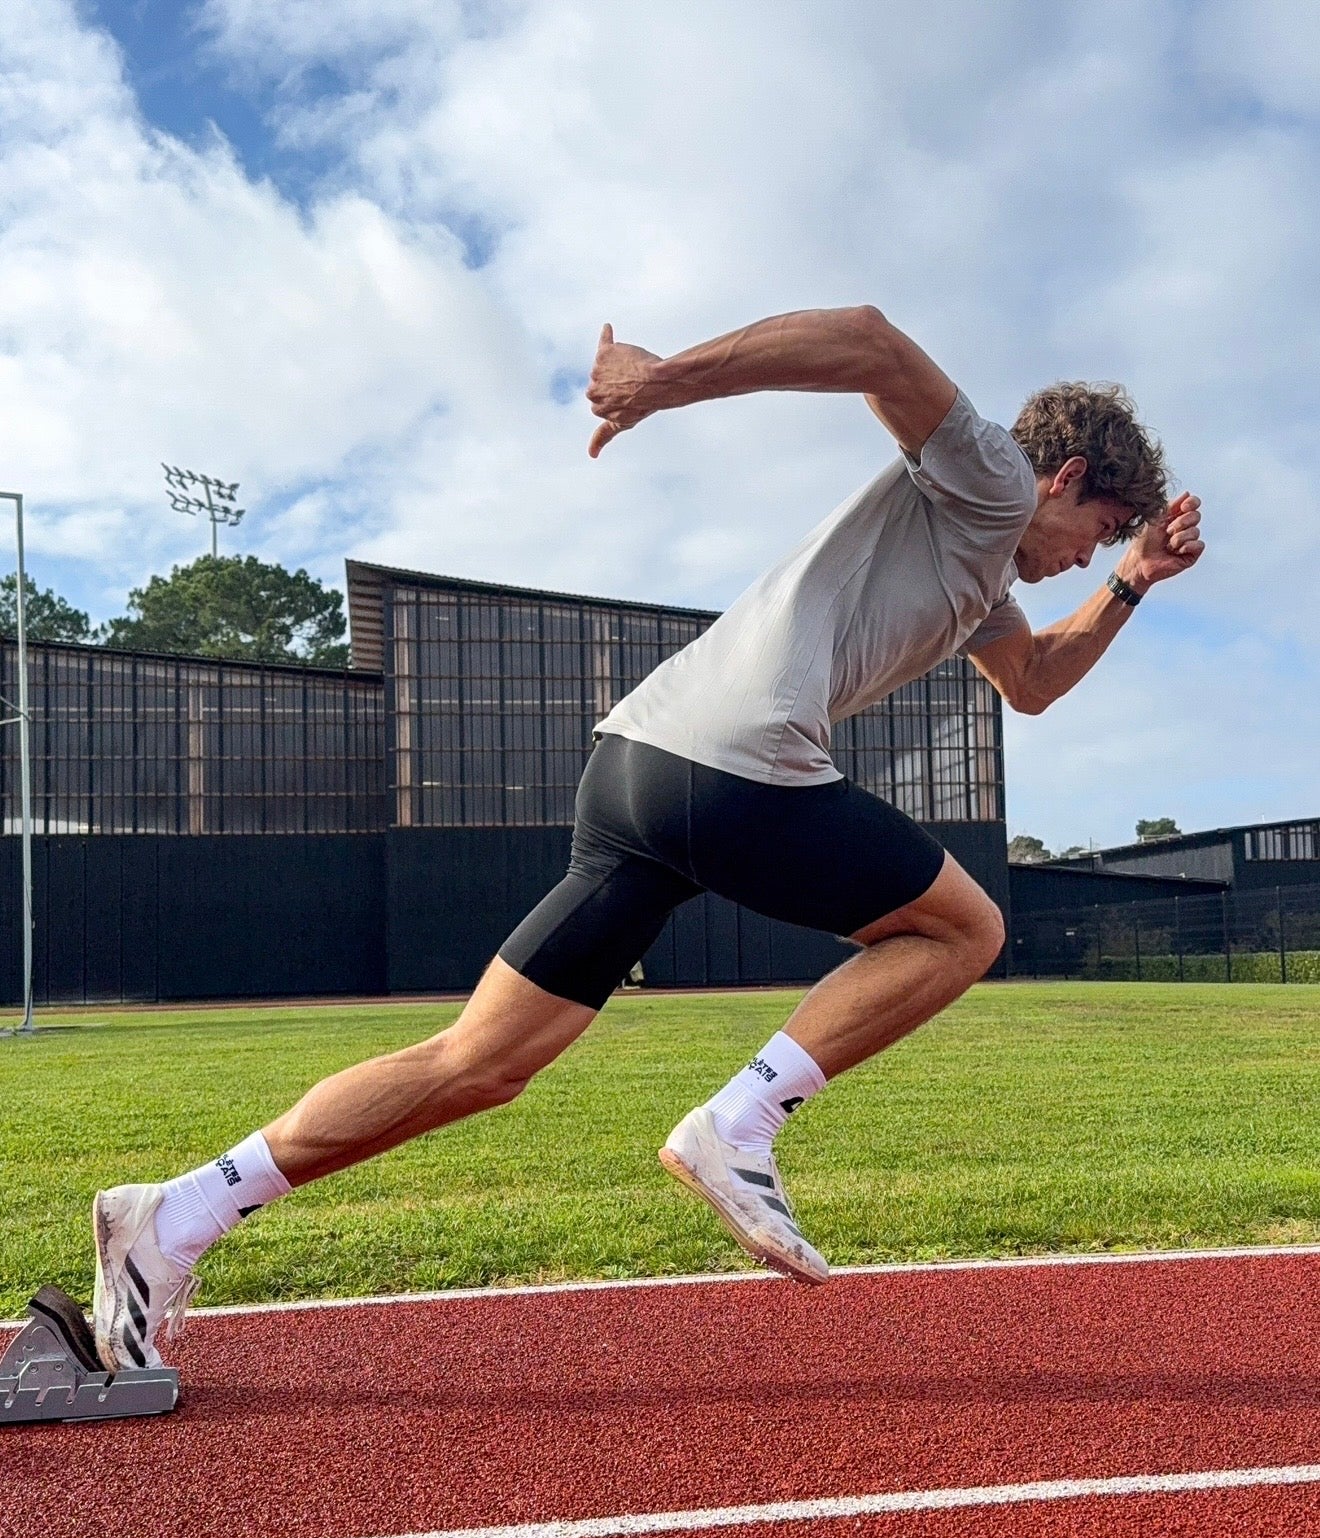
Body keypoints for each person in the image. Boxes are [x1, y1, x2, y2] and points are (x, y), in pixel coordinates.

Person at [91, 305, 1204, 1370]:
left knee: (478, 1065)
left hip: (636, 770)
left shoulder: (977, 575)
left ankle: (171, 1218)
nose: (1082, 553)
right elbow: (869, 342)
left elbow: (1036, 683)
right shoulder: (991, 480)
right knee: (966, 929)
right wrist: (662, 383)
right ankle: (739, 1122)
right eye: (1098, 531)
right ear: (1061, 479)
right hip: (734, 764)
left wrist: (1132, 582)